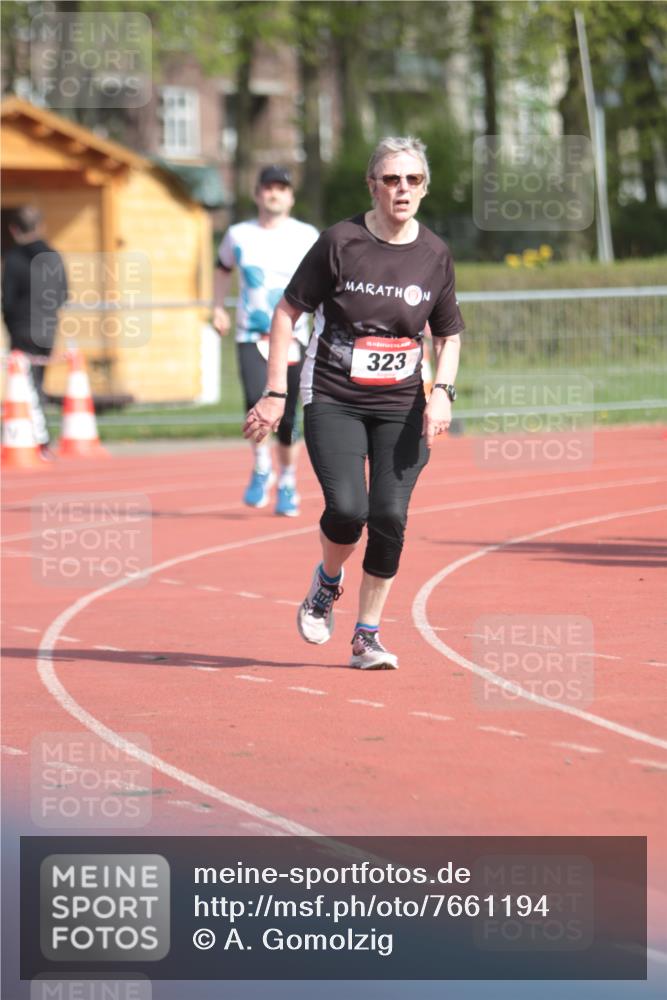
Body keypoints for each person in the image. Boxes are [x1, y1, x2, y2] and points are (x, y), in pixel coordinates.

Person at [243, 136, 464, 670]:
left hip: (402, 404)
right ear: (373, 186)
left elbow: (448, 334)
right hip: (334, 395)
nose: (402, 188)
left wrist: (442, 394)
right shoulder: (340, 242)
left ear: (425, 188)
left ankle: (367, 635)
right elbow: (286, 313)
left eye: (413, 179)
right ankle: (326, 581)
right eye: (391, 179)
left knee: (389, 516)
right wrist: (274, 393)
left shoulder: (434, 254)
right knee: (348, 510)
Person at [214, 166, 319, 516]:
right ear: (257, 194)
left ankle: (287, 481)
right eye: (268, 187)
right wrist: (217, 307)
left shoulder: (307, 236)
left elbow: (325, 278)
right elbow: (222, 267)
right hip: (251, 333)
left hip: (294, 337)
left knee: (288, 417)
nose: (274, 193)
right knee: (255, 406)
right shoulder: (238, 235)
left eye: (281, 188)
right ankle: (262, 467)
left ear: (291, 197)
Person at [2, 205, 68, 457]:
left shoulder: (13, 259)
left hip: (21, 328)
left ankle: (38, 441)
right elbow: (63, 294)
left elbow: (7, 299)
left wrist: (11, 324)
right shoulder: (53, 256)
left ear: (14, 229)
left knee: (26, 385)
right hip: (47, 328)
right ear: (41, 226)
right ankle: (36, 439)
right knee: (35, 383)